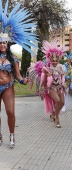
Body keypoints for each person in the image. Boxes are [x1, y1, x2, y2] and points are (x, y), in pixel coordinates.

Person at [0, 0, 38, 148]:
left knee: (10, 112)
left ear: (8, 44)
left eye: (4, 42)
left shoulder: (13, 58)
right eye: (0, 42)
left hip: (8, 87)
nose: (2, 45)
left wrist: (23, 81)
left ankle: (11, 135)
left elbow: (18, 75)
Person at [28, 41, 66, 128]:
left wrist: (64, 84)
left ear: (59, 59)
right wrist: (46, 78)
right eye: (53, 60)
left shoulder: (61, 67)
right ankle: (57, 118)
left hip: (60, 87)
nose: (55, 62)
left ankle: (53, 114)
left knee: (62, 102)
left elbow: (63, 77)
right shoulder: (47, 69)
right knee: (58, 101)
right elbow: (44, 81)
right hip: (51, 88)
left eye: (56, 60)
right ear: (50, 59)